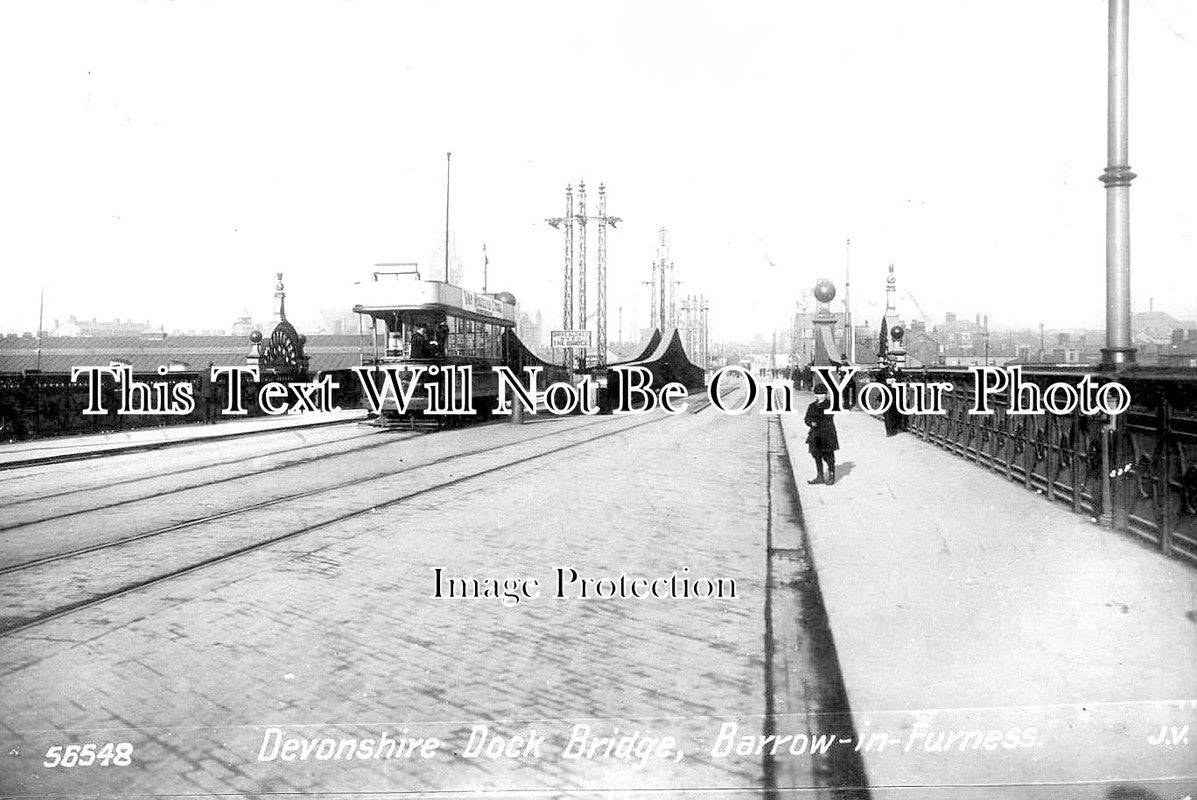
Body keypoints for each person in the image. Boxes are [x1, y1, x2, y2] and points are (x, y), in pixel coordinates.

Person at [804, 382, 840, 485]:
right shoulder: (812, 405)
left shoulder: (830, 405)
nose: (819, 396)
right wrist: (810, 422)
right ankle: (820, 476)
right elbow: (806, 418)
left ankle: (831, 475)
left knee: (828, 455)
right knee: (816, 454)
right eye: (817, 394)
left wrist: (816, 422)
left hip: (826, 434)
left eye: (821, 393)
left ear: (825, 394)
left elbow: (828, 418)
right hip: (815, 434)